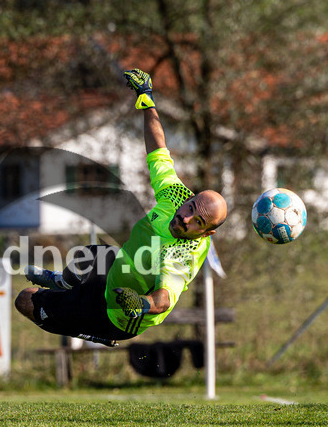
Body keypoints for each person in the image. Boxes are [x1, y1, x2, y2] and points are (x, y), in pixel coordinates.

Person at [15, 68, 228, 345]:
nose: (186, 218)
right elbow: (158, 148)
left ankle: (93, 334)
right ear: (188, 198)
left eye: (198, 221)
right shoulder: (175, 195)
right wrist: (147, 99)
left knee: (26, 301)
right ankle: (63, 281)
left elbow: (163, 300)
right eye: (190, 207)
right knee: (89, 255)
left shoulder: (182, 254)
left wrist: (138, 304)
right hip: (120, 268)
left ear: (206, 233)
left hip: (116, 314)